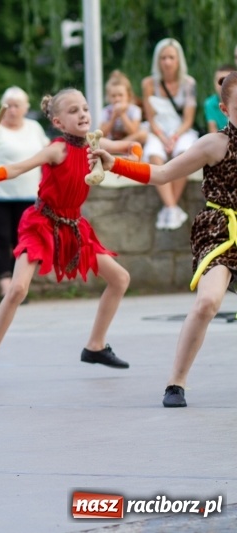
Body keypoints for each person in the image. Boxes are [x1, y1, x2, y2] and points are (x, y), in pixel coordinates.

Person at [91, 71, 237, 408]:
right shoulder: (214, 144)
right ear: (225, 110)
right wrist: (117, 165)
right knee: (207, 302)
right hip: (219, 229)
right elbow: (161, 174)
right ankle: (176, 383)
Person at [0, 88, 133, 379]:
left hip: (74, 227)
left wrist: (134, 152)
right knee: (17, 289)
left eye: (84, 108)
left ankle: (95, 346)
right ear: (58, 122)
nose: (82, 114)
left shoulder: (95, 144)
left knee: (120, 278)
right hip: (42, 224)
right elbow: (18, 167)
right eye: (73, 111)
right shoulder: (57, 149)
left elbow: (128, 145)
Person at [0, 86, 49, 298]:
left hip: (30, 197)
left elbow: (47, 158)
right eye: (8, 106)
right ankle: (6, 288)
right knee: (1, 239)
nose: (12, 110)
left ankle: (20, 286)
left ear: (26, 107)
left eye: (17, 106)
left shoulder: (34, 128)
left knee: (24, 242)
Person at [141, 38, 199, 230]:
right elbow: (150, 117)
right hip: (158, 131)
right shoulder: (149, 84)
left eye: (171, 57)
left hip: (180, 130)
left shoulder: (189, 83)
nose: (167, 62)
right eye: (163, 57)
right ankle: (172, 207)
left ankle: (170, 207)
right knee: (154, 155)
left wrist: (174, 137)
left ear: (178, 60)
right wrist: (163, 137)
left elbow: (188, 119)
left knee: (184, 153)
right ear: (158, 60)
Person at [99, 71, 148, 145]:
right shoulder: (106, 111)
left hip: (128, 141)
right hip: (111, 141)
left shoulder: (135, 110)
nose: (117, 99)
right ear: (108, 97)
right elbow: (101, 133)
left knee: (143, 134)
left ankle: (118, 146)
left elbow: (133, 132)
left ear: (128, 96)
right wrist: (113, 118)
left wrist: (122, 114)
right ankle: (116, 147)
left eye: (120, 95)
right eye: (113, 96)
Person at [204, 64, 236, 134]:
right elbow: (213, 131)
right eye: (218, 81)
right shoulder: (210, 103)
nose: (221, 85)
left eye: (225, 81)